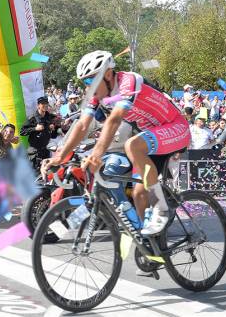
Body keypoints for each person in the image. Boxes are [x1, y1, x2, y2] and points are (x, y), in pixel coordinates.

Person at [42, 50, 191, 236]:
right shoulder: (98, 96)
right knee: (138, 194)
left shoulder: (129, 81)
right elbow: (81, 125)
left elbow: (114, 119)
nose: (88, 87)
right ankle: (149, 241)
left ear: (107, 74)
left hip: (175, 127)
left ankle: (161, 208)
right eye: (85, 82)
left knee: (131, 147)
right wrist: (60, 157)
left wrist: (96, 154)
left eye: (90, 81)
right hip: (148, 139)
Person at [20, 97, 61, 169]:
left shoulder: (50, 117)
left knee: (47, 172)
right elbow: (22, 132)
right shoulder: (32, 118)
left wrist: (55, 127)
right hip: (35, 151)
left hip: (46, 150)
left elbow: (53, 135)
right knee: (34, 173)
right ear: (38, 105)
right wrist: (35, 128)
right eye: (42, 103)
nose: (45, 105)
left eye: (46, 103)